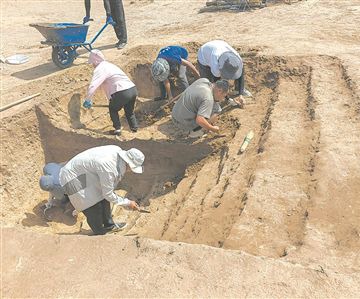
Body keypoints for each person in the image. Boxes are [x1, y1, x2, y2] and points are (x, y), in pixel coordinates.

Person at [59, 145, 144, 235]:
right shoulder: (110, 168)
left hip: (85, 172)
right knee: (92, 206)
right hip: (71, 176)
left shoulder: (116, 150)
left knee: (102, 197)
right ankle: (99, 232)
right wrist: (127, 203)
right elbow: (108, 194)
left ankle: (109, 225)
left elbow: (106, 193)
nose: (131, 171)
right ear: (129, 164)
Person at [83, 49, 138, 136]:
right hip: (132, 89)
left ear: (95, 61)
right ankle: (134, 129)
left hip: (122, 91)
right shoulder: (109, 65)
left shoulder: (100, 68)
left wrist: (87, 99)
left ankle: (117, 129)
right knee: (129, 111)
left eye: (92, 62)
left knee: (113, 109)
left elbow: (93, 86)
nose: (92, 65)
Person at [197, 40, 252, 106]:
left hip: (219, 45)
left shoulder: (238, 59)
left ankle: (238, 90)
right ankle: (210, 101)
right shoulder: (216, 66)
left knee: (236, 72)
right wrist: (227, 99)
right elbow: (217, 83)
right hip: (204, 56)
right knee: (208, 83)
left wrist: (240, 94)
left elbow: (241, 74)